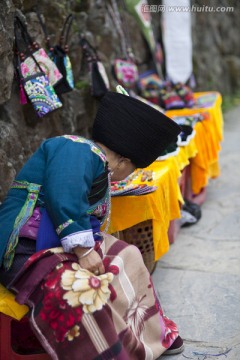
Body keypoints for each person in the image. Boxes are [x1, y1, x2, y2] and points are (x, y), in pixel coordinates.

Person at [0, 91, 184, 359]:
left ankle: (152, 336)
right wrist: (84, 252)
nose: (128, 175)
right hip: (24, 246)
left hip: (51, 239)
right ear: (123, 160)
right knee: (81, 289)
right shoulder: (77, 149)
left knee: (127, 255)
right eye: (132, 168)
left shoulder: (89, 157)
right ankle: (108, 351)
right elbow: (64, 193)